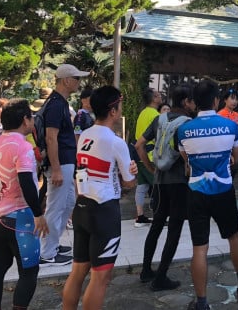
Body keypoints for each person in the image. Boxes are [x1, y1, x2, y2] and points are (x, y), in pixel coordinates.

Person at [178, 79, 238, 310]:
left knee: (199, 248)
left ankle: (202, 303)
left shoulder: (184, 129)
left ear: (194, 102)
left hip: (196, 192)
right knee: (234, 236)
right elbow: (235, 157)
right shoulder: (230, 126)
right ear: (216, 100)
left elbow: (187, 160)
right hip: (223, 189)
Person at [62, 86, 138, 310]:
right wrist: (132, 171)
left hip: (82, 207)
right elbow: (129, 183)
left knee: (77, 272)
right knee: (100, 278)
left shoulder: (84, 134)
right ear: (113, 111)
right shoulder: (116, 141)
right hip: (104, 212)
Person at [0, 99, 49, 310]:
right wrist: (38, 214)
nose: (33, 121)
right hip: (19, 219)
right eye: (31, 116)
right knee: (29, 271)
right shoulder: (23, 146)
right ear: (24, 120)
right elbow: (27, 182)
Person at [135, 84, 196, 291]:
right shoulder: (188, 123)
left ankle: (145, 271)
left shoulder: (159, 119)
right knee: (175, 228)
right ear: (186, 102)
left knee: (157, 225)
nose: (194, 104)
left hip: (160, 182)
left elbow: (139, 144)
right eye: (192, 101)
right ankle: (161, 277)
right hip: (179, 182)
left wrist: (151, 167)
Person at [39, 63, 89, 267]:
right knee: (56, 207)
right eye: (76, 78)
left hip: (67, 161)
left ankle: (53, 244)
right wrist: (57, 168)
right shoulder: (56, 105)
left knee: (67, 204)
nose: (79, 82)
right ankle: (47, 253)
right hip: (61, 162)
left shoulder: (57, 102)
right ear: (66, 80)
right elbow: (51, 138)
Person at [133, 88, 161, 227]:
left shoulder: (142, 113)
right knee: (157, 187)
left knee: (142, 187)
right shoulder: (155, 114)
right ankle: (158, 216)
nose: (161, 96)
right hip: (149, 156)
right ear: (154, 98)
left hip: (139, 154)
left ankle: (140, 216)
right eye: (158, 94)